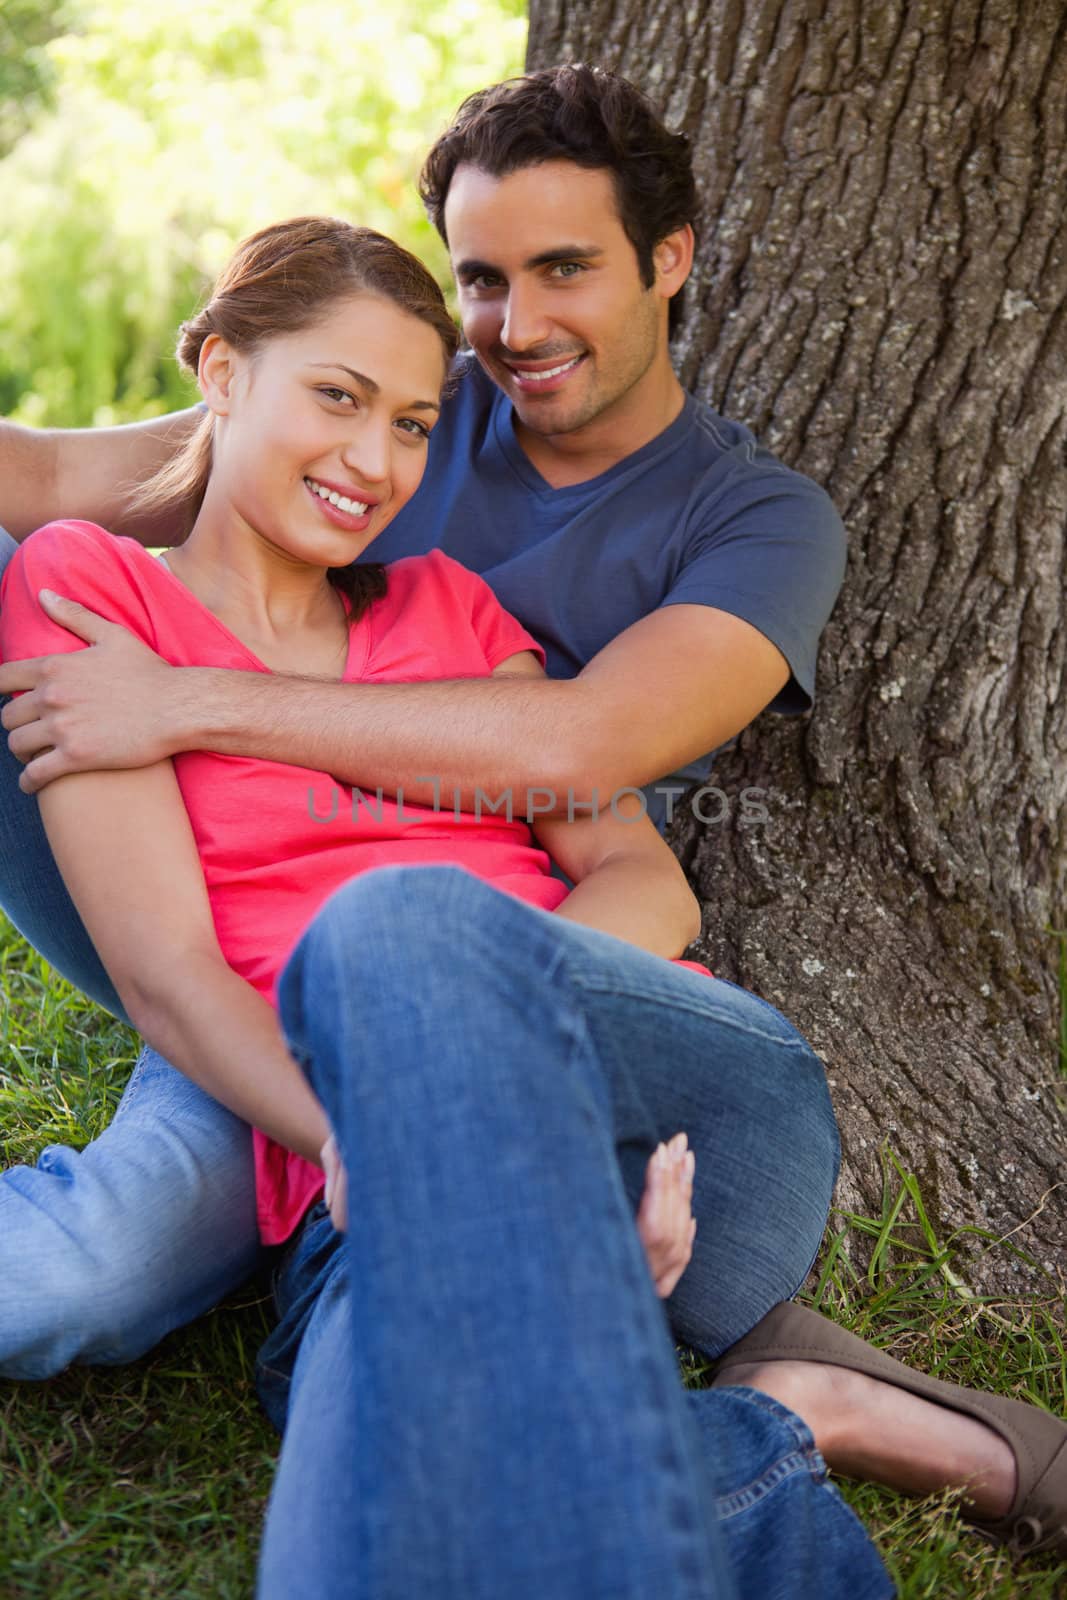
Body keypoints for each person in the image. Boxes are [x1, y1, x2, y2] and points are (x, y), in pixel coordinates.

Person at [0, 65, 1062, 1572]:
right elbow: (41, 478)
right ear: (228, 373)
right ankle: (768, 1417)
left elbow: (592, 758)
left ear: (669, 261)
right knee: (149, 1296)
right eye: (485, 277)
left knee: (402, 943)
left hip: (579, 1007)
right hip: (281, 1025)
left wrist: (471, 1059)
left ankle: (503, 1199)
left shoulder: (733, 527)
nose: (513, 327)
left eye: (565, 267)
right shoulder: (345, 437)